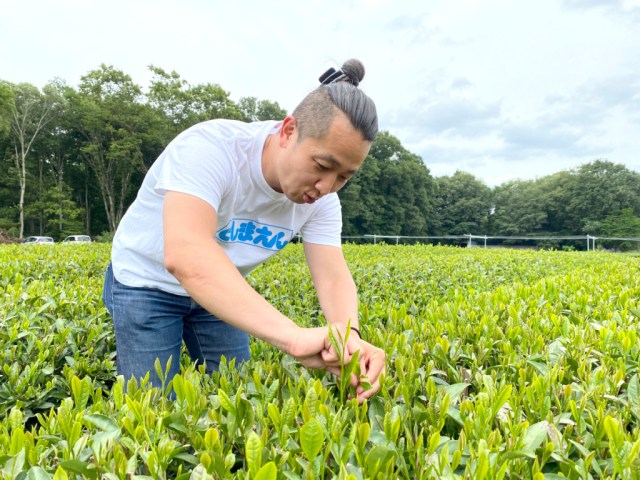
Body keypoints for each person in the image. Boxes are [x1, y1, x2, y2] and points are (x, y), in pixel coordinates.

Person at [102, 58, 385, 402]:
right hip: (146, 283)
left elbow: (332, 276)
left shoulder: (322, 199)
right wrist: (293, 338)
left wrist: (348, 336)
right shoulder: (210, 149)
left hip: (221, 288)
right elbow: (187, 254)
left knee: (237, 398)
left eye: (344, 177)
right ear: (288, 131)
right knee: (151, 406)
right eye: (323, 166)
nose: (326, 186)